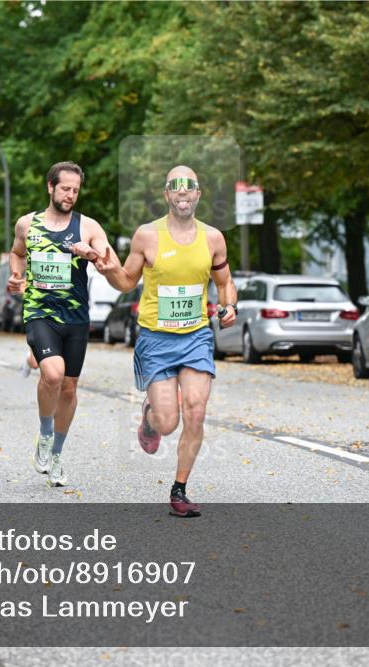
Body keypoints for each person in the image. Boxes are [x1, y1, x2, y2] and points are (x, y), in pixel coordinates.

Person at [96, 165, 237, 517]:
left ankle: (179, 490)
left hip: (196, 337)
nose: (183, 194)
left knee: (197, 410)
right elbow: (127, 282)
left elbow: (225, 283)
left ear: (198, 194)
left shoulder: (213, 239)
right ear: (167, 195)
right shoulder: (147, 236)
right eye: (176, 188)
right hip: (156, 340)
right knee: (168, 422)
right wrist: (108, 268)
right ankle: (150, 416)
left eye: (190, 188)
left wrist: (230, 304)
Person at [7, 161, 116, 488]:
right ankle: (44, 432)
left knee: (69, 387)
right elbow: (16, 253)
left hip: (76, 319)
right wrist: (17, 277)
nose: (70, 195)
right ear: (50, 187)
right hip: (40, 312)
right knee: (52, 373)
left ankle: (56, 455)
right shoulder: (28, 224)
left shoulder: (89, 227)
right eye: (65, 189)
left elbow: (111, 263)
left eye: (76, 190)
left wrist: (92, 256)